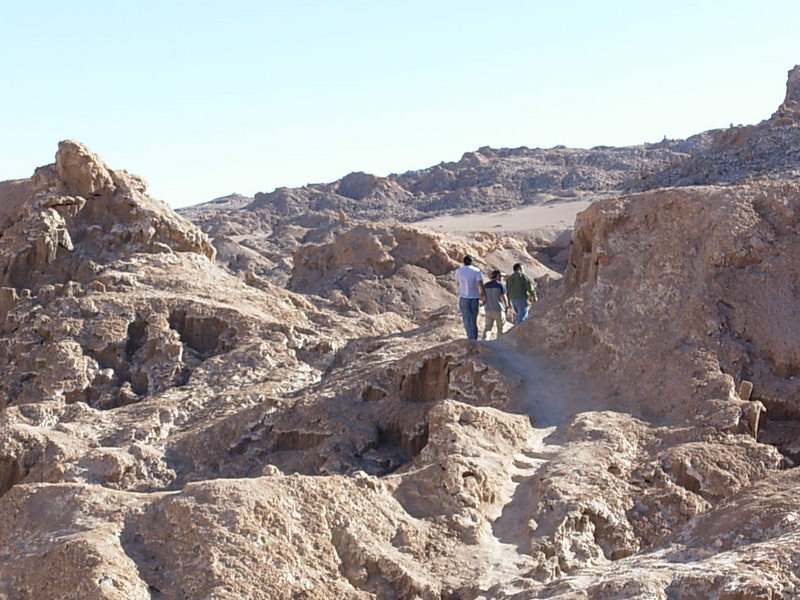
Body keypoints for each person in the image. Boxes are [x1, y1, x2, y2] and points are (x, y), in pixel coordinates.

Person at [454, 255, 485, 340]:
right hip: (475, 297)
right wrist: (483, 294)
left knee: (467, 318)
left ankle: (470, 338)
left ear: (464, 262)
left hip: (464, 297)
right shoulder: (476, 270)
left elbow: (457, 282)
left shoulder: (458, 271)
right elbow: (480, 283)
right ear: (472, 262)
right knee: (473, 319)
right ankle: (474, 338)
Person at [482, 269, 509, 340]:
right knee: (500, 329)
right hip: (498, 309)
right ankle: (499, 344)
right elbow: (504, 297)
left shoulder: (486, 285)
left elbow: (483, 297)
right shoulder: (501, 285)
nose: (502, 278)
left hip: (488, 309)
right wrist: (507, 306)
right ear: (497, 276)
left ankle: (484, 342)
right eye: (501, 276)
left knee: (487, 328)